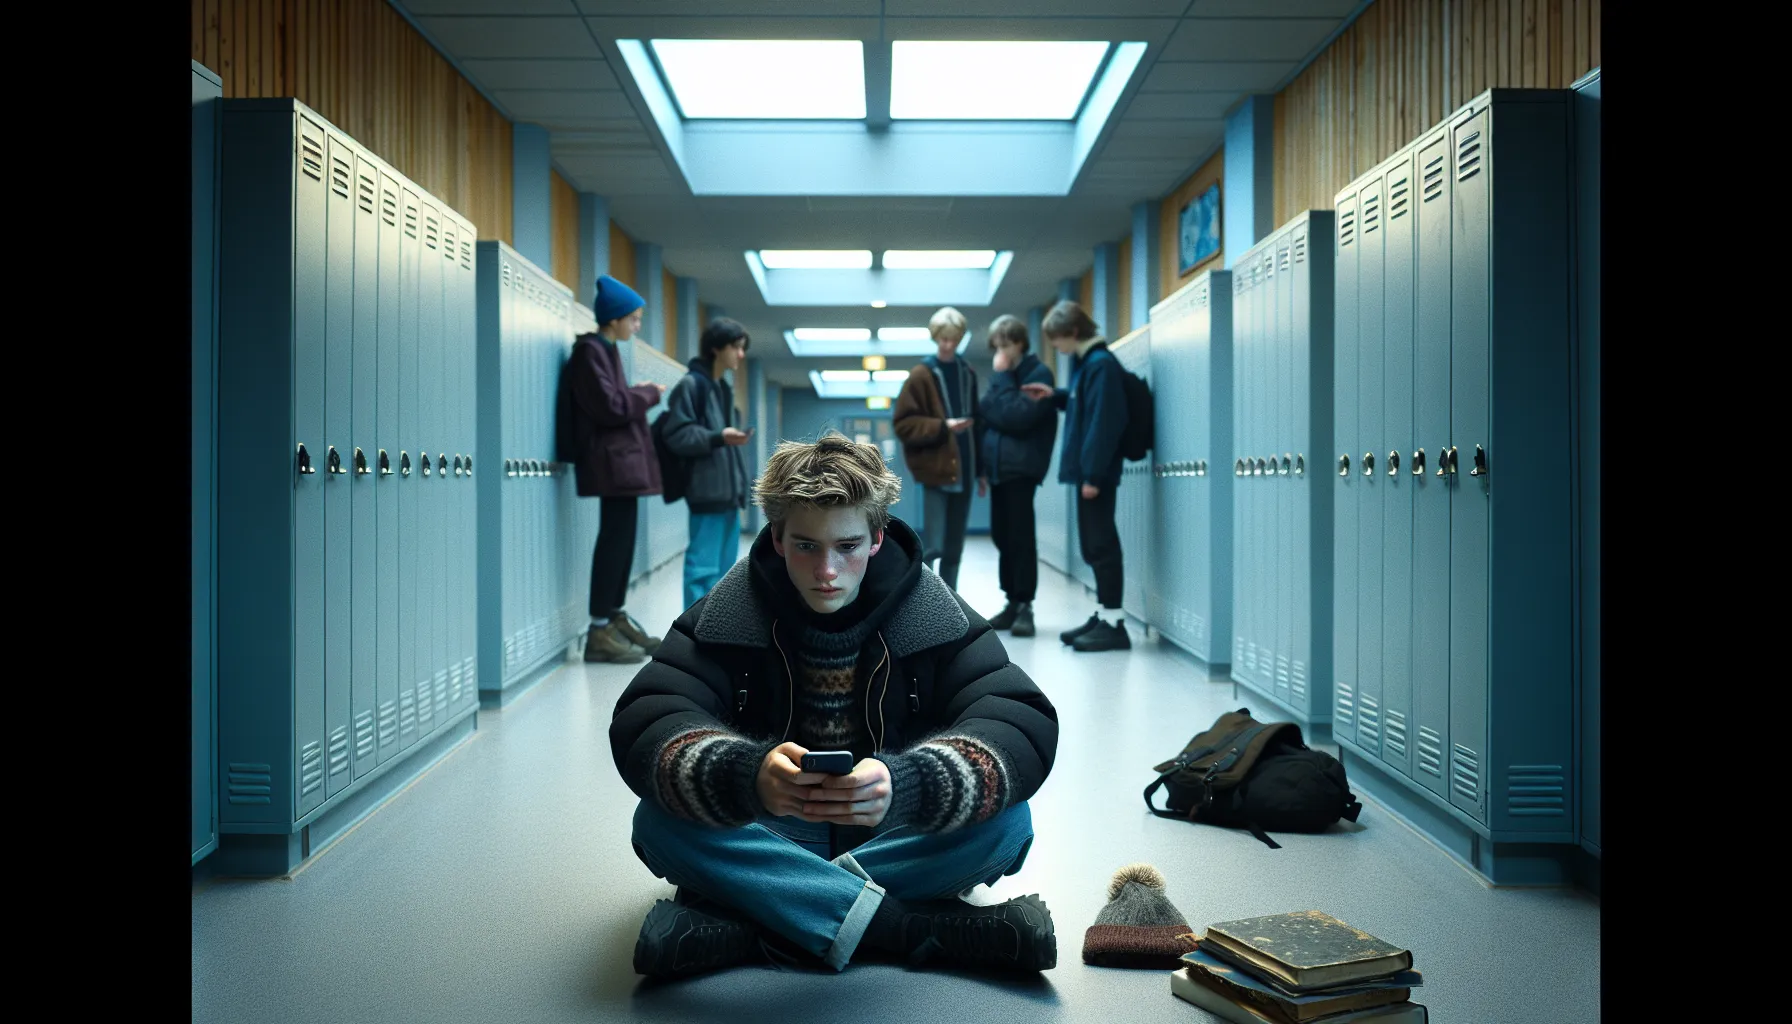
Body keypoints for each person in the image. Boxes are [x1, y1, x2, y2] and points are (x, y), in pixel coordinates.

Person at [611, 433, 1060, 978]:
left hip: (884, 833)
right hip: (775, 830)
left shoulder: (933, 612)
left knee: (1008, 823)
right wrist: (747, 775)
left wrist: (909, 784)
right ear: (778, 537)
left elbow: (1016, 716)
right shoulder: (730, 610)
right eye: (807, 546)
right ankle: (911, 928)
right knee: (657, 821)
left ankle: (759, 923)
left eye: (847, 547)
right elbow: (651, 714)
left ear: (876, 538)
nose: (827, 571)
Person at [1021, 301, 1130, 652]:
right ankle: (1104, 614)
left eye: (1056, 339)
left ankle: (1114, 624)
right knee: (1093, 545)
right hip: (1090, 471)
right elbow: (1086, 405)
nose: (1056, 347)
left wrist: (1093, 475)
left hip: (1096, 474)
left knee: (1101, 545)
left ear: (1071, 332)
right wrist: (1056, 396)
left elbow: (1103, 423)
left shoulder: (1100, 364)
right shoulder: (1090, 365)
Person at [570, 274, 666, 664]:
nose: (637, 326)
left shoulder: (605, 351)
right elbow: (611, 407)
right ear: (614, 318)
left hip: (620, 466)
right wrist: (649, 393)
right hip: (612, 465)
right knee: (614, 542)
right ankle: (599, 629)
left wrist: (636, 392)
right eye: (634, 319)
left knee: (622, 542)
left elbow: (614, 398)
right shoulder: (590, 352)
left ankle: (613, 615)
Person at [658, 317, 754, 610]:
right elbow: (676, 434)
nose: (740, 354)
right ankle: (694, 630)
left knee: (725, 574)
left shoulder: (722, 389)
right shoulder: (692, 385)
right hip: (706, 492)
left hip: (728, 495)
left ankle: (717, 626)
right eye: (736, 347)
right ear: (716, 348)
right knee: (701, 570)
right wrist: (717, 437)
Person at [974, 314, 1058, 638]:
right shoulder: (1004, 379)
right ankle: (1011, 600)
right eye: (996, 346)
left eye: (1004, 346)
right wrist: (982, 469)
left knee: (1021, 538)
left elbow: (1017, 417)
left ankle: (1025, 605)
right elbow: (986, 410)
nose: (1000, 352)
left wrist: (1003, 381)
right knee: (1002, 536)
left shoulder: (1038, 374)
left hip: (1021, 470)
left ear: (1019, 343)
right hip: (998, 470)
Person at [891, 307, 979, 591]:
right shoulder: (921, 375)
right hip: (936, 469)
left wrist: (982, 471)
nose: (948, 345)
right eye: (943, 339)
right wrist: (943, 426)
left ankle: (952, 600)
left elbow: (978, 421)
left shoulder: (967, 373)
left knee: (954, 547)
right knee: (934, 545)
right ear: (935, 337)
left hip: (966, 467)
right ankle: (927, 598)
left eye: (953, 339)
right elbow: (904, 424)